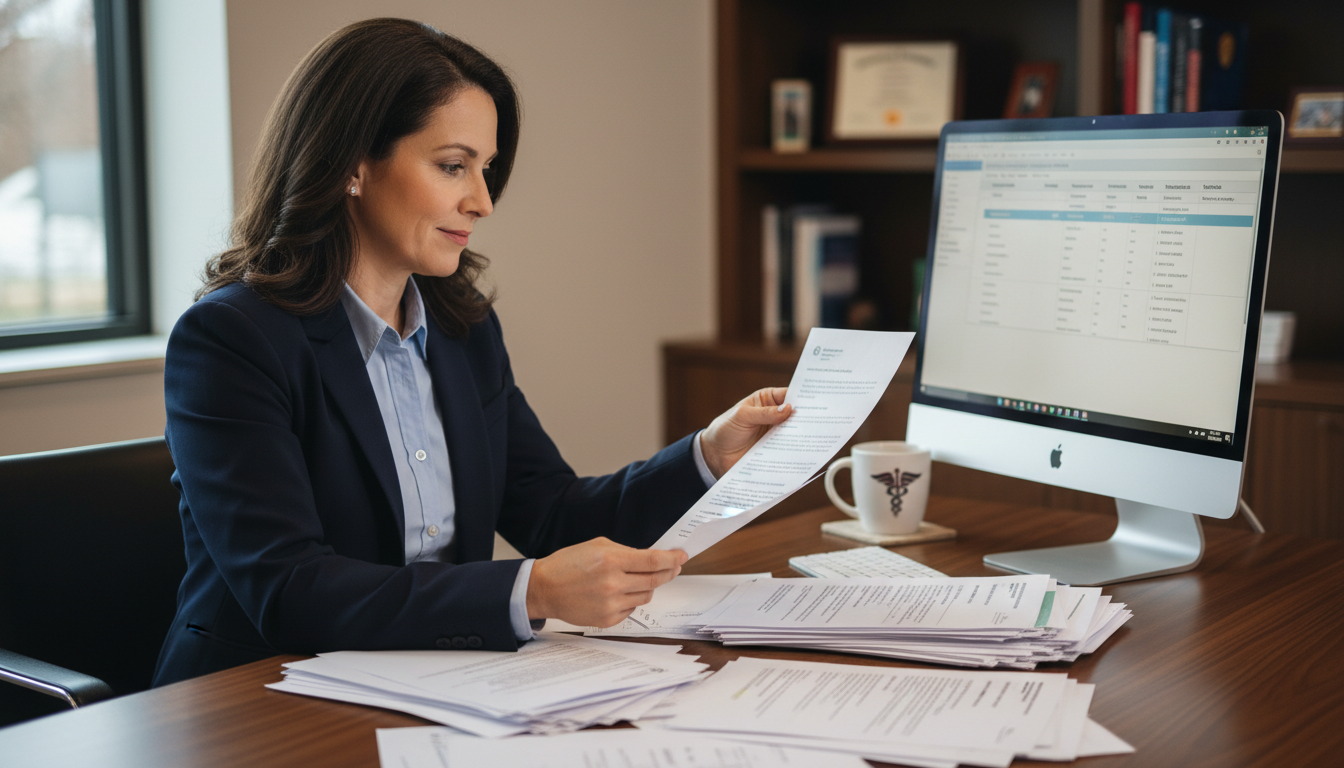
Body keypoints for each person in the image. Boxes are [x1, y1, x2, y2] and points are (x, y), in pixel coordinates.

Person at [152, 18, 790, 686]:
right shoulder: (231, 339)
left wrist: (709, 455)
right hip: (257, 695)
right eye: (452, 166)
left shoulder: (463, 328)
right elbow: (289, 589)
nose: (482, 201)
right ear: (351, 165)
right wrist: (530, 591)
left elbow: (550, 512)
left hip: (436, 678)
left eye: (485, 170)